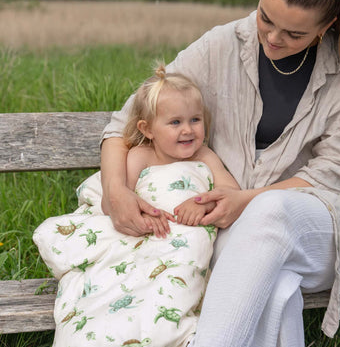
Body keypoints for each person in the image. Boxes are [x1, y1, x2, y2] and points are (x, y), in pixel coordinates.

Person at [99, 0, 340, 347]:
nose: (272, 38)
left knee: (269, 210)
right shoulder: (220, 45)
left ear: (329, 25)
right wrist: (116, 192)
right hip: (232, 231)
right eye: (266, 18)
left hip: (319, 233)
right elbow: (122, 124)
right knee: (275, 289)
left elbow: (335, 181)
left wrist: (247, 199)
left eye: (294, 33)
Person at [33, 66, 239, 347]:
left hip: (182, 236)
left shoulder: (205, 156)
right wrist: (142, 214)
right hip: (144, 234)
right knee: (118, 276)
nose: (188, 130)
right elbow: (123, 201)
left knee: (182, 264)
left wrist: (202, 202)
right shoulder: (140, 156)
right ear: (148, 129)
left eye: (195, 120)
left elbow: (230, 191)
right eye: (175, 122)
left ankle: (163, 323)